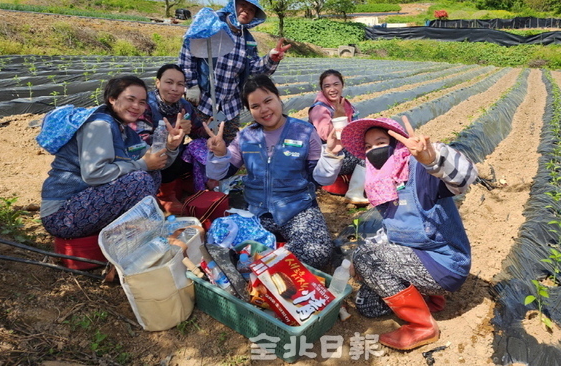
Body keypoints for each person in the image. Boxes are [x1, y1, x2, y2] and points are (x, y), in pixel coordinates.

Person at [340, 116, 478, 351]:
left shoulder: (419, 171)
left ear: (396, 144)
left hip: (444, 263)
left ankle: (422, 326)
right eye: (368, 147)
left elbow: (466, 178)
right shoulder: (384, 183)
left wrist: (432, 159)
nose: (374, 150)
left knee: (366, 260)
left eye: (381, 142)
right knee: (367, 304)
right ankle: (428, 298)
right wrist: (360, 258)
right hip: (416, 258)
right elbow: (392, 230)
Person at [204, 74, 343, 270]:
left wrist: (331, 155)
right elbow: (221, 174)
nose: (264, 110)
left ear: (278, 97)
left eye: (268, 100)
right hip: (257, 212)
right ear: (250, 110)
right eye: (255, 106)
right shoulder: (246, 136)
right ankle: (272, 261)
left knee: (317, 251)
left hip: (298, 209)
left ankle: (261, 262)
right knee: (217, 241)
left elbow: (318, 178)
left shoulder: (303, 131)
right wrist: (219, 154)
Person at [40, 76, 185, 239]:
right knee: (139, 179)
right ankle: (137, 234)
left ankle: (134, 232)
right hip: (62, 213)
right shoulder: (99, 126)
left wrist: (171, 146)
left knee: (152, 174)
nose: (136, 106)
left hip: (87, 202)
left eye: (142, 102)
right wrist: (142, 165)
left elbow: (156, 162)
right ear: (112, 99)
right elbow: (93, 174)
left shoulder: (126, 131)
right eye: (131, 99)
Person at [178, 0, 291, 145]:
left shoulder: (248, 40)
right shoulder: (213, 23)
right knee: (203, 140)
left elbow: (253, 70)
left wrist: (271, 59)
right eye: (243, 5)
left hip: (229, 105)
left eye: (251, 9)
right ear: (234, 4)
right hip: (204, 100)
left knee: (229, 144)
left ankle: (224, 167)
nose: (246, 11)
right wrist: (191, 85)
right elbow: (188, 49)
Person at [131, 64, 210, 214]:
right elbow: (140, 140)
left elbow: (197, 131)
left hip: (175, 154)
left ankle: (189, 182)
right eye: (169, 82)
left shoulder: (184, 106)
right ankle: (165, 196)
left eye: (180, 84)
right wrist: (171, 135)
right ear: (158, 82)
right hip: (149, 157)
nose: (174, 88)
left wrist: (209, 131)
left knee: (201, 146)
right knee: (167, 151)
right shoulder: (146, 105)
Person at [308, 69, 367, 204]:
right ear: (322, 89)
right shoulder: (320, 109)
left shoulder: (345, 104)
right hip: (326, 157)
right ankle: (354, 193)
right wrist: (337, 119)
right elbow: (324, 134)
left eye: (336, 84)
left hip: (343, 150)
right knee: (367, 154)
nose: (332, 89)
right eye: (327, 86)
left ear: (342, 85)